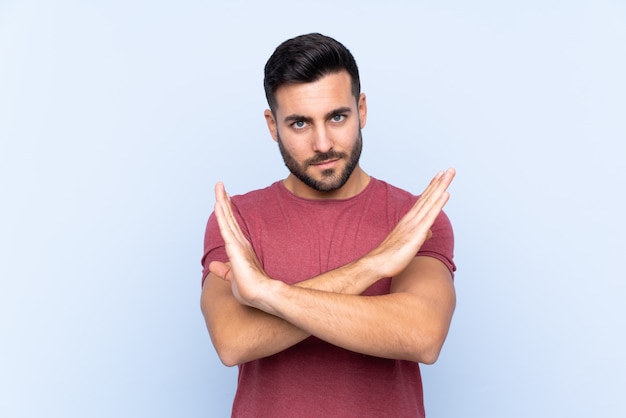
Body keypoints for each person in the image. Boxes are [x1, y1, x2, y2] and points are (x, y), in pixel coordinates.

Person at [200, 33, 456, 417]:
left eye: (337, 117)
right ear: (273, 126)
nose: (323, 144)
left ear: (362, 110)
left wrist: (268, 294)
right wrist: (374, 265)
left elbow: (422, 335)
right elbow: (234, 341)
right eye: (300, 123)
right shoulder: (238, 220)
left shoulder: (415, 218)